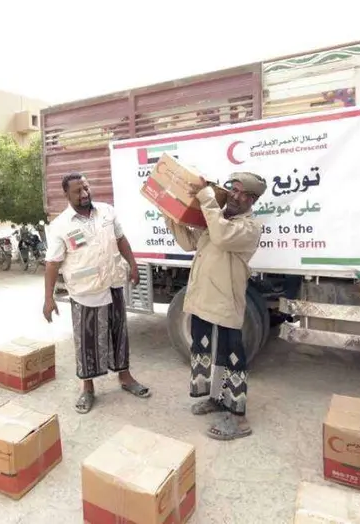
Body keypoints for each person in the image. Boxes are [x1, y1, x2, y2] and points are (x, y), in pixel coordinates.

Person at [164, 171, 267, 440]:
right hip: (202, 301)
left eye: (240, 192)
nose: (233, 195)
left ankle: (238, 418)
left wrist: (206, 196)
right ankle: (215, 399)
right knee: (208, 355)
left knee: (232, 359)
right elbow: (188, 242)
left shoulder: (249, 228)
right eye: (231, 189)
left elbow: (221, 237)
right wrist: (169, 213)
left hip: (224, 305)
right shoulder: (218, 220)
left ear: (252, 199)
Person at [43, 172, 151, 414]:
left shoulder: (106, 212)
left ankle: (125, 378)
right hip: (85, 291)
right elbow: (52, 263)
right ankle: (88, 388)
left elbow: (121, 239)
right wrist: (48, 298)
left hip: (112, 284)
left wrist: (132, 264)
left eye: (86, 188)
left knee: (119, 334)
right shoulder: (60, 225)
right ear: (66, 195)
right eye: (77, 191)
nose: (84, 194)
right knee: (87, 342)